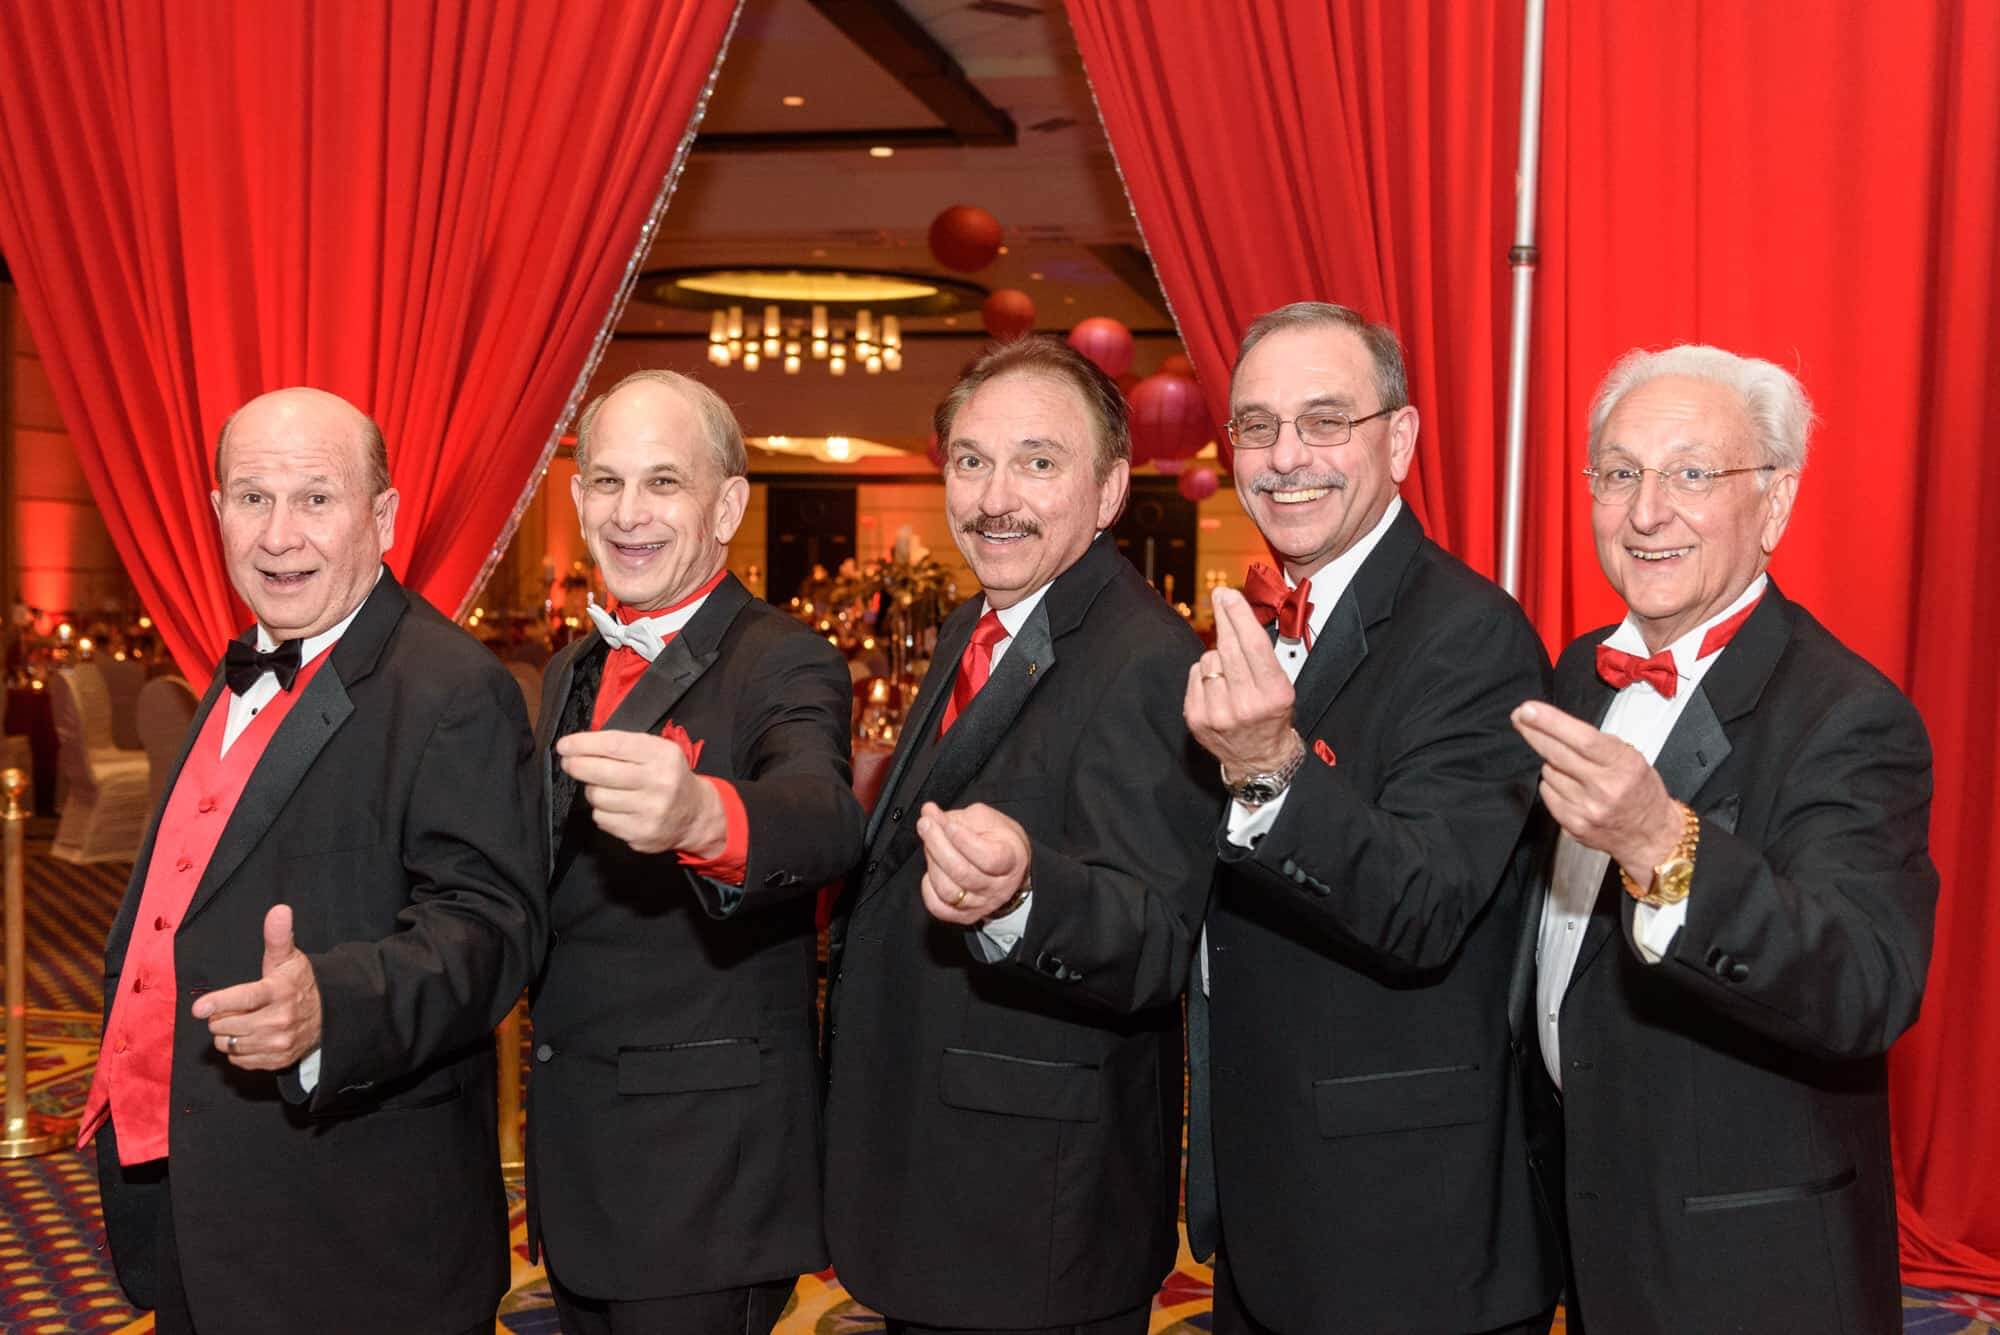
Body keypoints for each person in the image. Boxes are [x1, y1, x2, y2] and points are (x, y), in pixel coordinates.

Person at [81, 387, 545, 1335]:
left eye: (316, 499)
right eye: (253, 499)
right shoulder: (237, 669)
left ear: (384, 517)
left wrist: (333, 1005)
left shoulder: (453, 688)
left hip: (352, 1234)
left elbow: (491, 929)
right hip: (201, 1198)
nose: (278, 534)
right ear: (218, 512)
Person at [1512, 345, 1936, 1333]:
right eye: (1620, 473)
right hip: (1590, 1221)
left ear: (1774, 503)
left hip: (1748, 1269)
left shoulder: (1847, 714)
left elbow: (1864, 985)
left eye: (1691, 474)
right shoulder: (1580, 672)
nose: (1646, 511)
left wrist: (1669, 848)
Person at [822, 336, 1219, 1335]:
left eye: (1037, 462)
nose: (995, 497)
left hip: (1034, 1208)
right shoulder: (976, 624)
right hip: (941, 1172)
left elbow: (1153, 939)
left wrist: (1023, 895)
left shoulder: (1145, 656)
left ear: (1110, 490)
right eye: (971, 461)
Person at [1183, 302, 1560, 1334]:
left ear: (1398, 442)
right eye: (1256, 425)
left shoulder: (1471, 635)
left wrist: (1270, 770)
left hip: (1404, 1226)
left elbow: (1423, 905)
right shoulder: (1257, 622)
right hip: (1270, 1200)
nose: (1283, 457)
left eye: (1323, 421)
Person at [526, 369, 865, 1334]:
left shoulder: (784, 655)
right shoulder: (568, 666)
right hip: (579, 1158)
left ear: (726, 508)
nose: (628, 512)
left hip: (704, 1177)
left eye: (663, 482)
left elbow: (824, 815)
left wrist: (702, 817)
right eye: (606, 481)